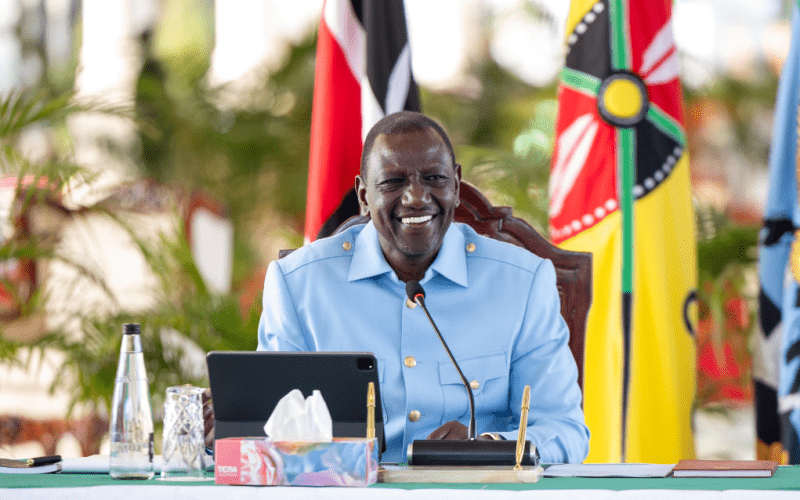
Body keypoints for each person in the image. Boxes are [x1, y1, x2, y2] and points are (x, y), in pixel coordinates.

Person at [207, 111, 589, 464]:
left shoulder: (522, 282)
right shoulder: (298, 285)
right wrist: (224, 428)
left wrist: (486, 448)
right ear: (363, 197)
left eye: (434, 179)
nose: (416, 197)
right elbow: (274, 429)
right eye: (393, 182)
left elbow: (566, 431)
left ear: (455, 186)